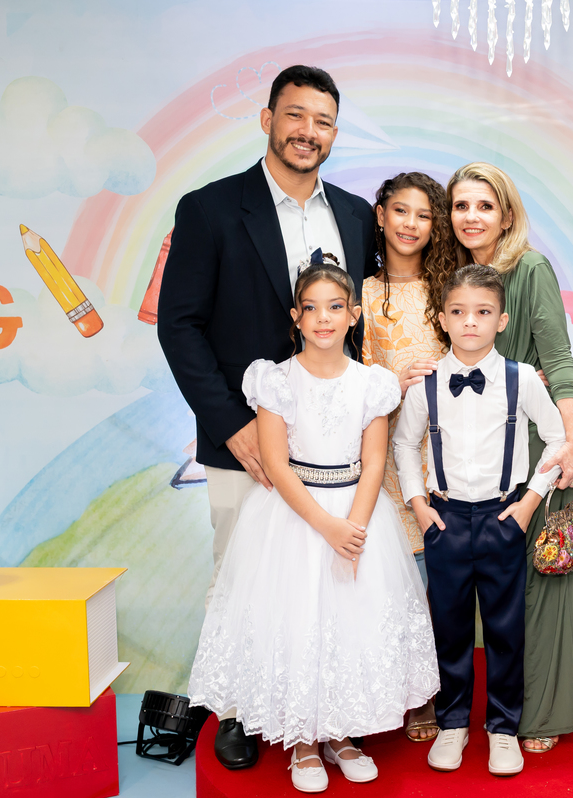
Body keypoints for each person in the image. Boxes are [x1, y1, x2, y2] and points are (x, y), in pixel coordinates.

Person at [156, 65, 376, 770]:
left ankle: (327, 709)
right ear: (268, 120)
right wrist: (231, 423)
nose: (308, 132)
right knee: (244, 578)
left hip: (335, 450)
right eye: (295, 115)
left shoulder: (357, 215)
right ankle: (241, 712)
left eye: (323, 121)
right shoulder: (210, 209)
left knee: (329, 583)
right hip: (246, 443)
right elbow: (179, 325)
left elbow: (362, 325)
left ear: (334, 133)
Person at [188, 262, 439, 793]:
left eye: (335, 307)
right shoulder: (275, 380)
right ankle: (303, 741)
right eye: (311, 308)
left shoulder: (372, 384)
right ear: (296, 317)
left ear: (353, 315)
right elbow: (276, 464)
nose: (323, 318)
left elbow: (375, 462)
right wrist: (326, 526)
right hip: (295, 516)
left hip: (356, 514)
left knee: (348, 622)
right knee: (298, 621)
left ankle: (341, 735)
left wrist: (354, 526)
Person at [393, 264, 566, 778]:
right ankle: (452, 723)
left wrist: (529, 503)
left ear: (501, 320)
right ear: (443, 319)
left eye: (483, 312)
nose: (471, 321)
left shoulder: (521, 379)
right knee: (448, 626)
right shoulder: (426, 384)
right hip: (444, 519)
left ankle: (503, 728)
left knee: (505, 629)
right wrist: (419, 504)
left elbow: (557, 439)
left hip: (502, 517)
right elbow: (403, 443)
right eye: (459, 311)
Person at [443, 162, 573, 754]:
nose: (471, 217)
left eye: (485, 205)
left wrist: (572, 443)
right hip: (474, 455)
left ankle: (543, 713)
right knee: (497, 600)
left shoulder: (529, 270)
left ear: (507, 215)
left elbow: (558, 361)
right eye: (461, 206)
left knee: (539, 583)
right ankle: (488, 712)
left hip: (533, 447)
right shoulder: (454, 277)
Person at [360, 172, 453, 743]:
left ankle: (435, 691)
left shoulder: (449, 290)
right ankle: (403, 691)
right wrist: (394, 381)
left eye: (424, 215)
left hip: (445, 450)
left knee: (441, 583)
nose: (410, 224)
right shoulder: (363, 293)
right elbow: (351, 376)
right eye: (400, 211)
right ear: (380, 214)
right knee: (399, 582)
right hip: (386, 451)